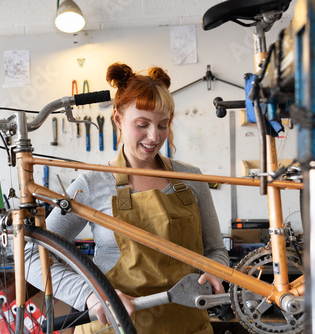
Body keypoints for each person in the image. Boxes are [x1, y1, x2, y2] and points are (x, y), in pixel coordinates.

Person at [36, 63, 229, 333]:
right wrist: (89, 295)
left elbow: (216, 251)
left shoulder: (192, 179)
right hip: (116, 327)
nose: (154, 137)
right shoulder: (92, 185)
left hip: (188, 326)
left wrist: (216, 271)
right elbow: (33, 254)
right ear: (117, 119)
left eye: (163, 125)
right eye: (142, 124)